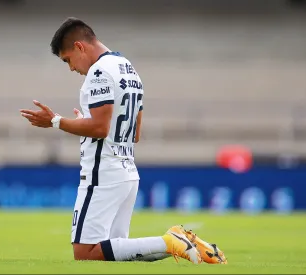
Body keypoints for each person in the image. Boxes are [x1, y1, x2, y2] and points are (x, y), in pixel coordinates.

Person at [20, 17, 225, 264]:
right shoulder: (128, 68)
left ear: (79, 47)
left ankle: (170, 241)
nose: (71, 68)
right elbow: (134, 133)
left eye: (68, 60)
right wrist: (84, 121)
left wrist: (55, 121)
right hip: (127, 172)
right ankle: (186, 244)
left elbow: (99, 127)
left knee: (85, 253)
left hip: (102, 174)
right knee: (116, 253)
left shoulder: (99, 72)